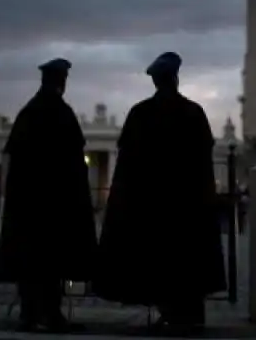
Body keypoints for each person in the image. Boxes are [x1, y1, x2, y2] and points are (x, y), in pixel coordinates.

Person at [93, 52, 226, 331]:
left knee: (157, 263)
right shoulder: (194, 112)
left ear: (155, 81)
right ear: (175, 79)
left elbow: (127, 164)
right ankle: (188, 314)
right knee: (186, 262)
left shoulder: (140, 114)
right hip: (187, 207)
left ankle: (168, 312)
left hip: (150, 207)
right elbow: (204, 161)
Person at [0, 58, 97, 333]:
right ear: (61, 82)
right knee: (52, 261)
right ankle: (52, 314)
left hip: (28, 206)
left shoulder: (29, 112)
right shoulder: (61, 113)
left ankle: (28, 315)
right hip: (55, 206)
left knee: (30, 259)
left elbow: (15, 159)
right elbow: (74, 163)